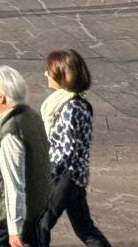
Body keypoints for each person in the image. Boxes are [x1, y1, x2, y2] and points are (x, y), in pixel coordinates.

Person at [39, 48, 111, 247]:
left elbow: (66, 151)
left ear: (62, 75)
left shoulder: (71, 107)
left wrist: (49, 175)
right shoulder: (71, 103)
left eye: (49, 71)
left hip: (65, 177)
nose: (46, 74)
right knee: (84, 228)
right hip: (74, 177)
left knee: (41, 225)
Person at [0, 64, 52, 247]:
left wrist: (14, 231)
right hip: (30, 215)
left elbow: (14, 184)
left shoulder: (11, 132)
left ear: (0, 97)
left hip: (1, 225)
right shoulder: (29, 116)